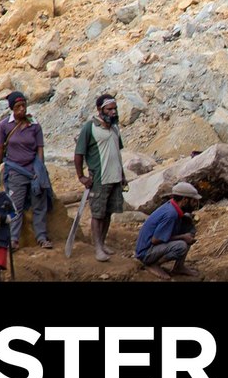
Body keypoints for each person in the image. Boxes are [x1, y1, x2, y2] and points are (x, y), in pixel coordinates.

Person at [0, 91, 52, 250]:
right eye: (18, 106)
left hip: (33, 169)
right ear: (12, 108)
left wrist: (40, 169)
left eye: (24, 105)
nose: (22, 109)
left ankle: (41, 237)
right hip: (15, 170)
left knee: (39, 204)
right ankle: (14, 239)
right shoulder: (4, 125)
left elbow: (40, 148)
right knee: (15, 206)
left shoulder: (34, 124)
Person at [74, 94, 126, 262]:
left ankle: (102, 244)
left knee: (108, 213)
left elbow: (117, 152)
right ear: (99, 110)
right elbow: (79, 153)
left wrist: (122, 175)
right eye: (109, 109)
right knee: (98, 214)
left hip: (115, 178)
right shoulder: (90, 128)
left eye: (114, 109)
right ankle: (97, 248)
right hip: (99, 180)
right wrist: (81, 176)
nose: (113, 112)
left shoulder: (115, 128)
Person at [134, 182, 203, 281]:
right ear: (184, 200)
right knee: (181, 245)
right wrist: (182, 237)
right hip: (146, 252)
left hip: (152, 246)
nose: (195, 204)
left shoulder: (172, 206)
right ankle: (153, 264)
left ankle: (179, 267)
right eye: (193, 201)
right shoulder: (171, 214)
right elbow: (155, 240)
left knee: (188, 225)